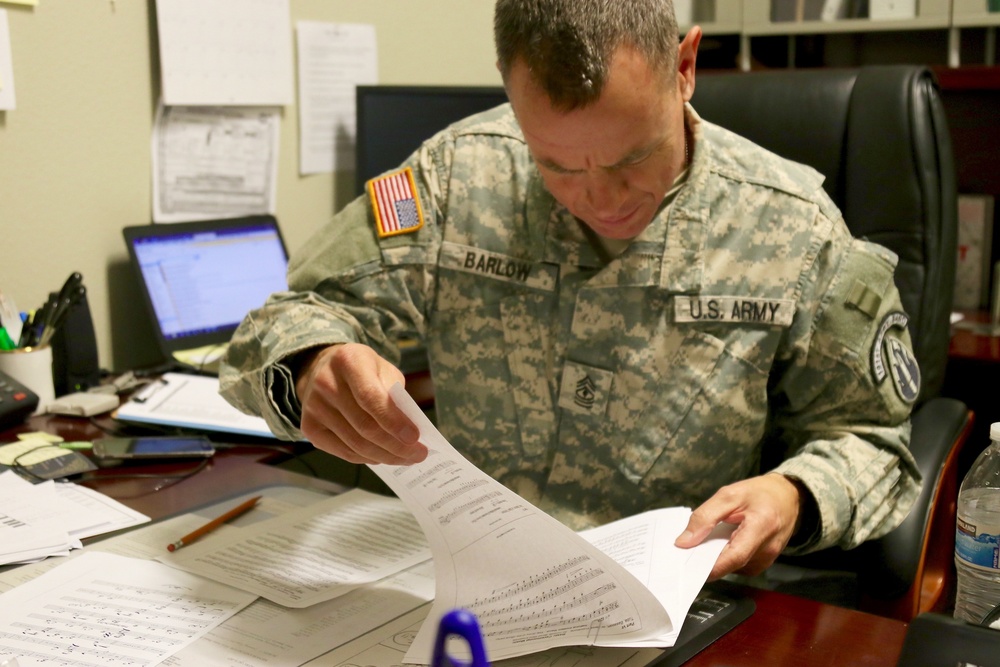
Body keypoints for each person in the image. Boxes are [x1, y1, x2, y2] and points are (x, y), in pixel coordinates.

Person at [220, 0, 921, 580]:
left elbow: (873, 440)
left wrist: (794, 492)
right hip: (469, 583)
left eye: (632, 155)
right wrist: (311, 363)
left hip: (676, 603)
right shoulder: (450, 180)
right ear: (506, 82)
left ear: (684, 67)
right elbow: (284, 319)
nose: (600, 198)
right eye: (555, 163)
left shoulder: (796, 227)